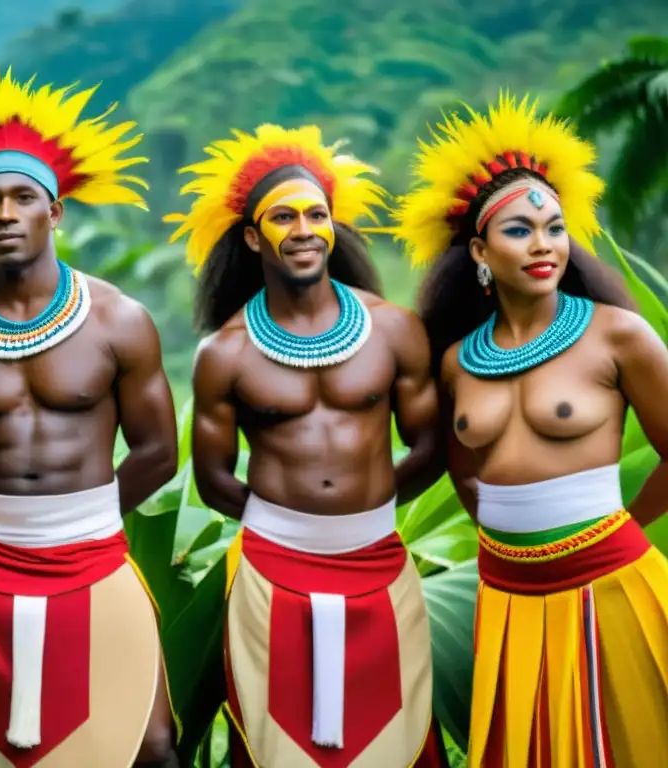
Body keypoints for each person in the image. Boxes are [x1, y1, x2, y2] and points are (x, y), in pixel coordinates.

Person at [0, 68, 180, 768]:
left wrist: (76, 521)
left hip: (94, 552)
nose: (4, 213)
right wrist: (8, 525)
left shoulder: (119, 322)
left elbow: (157, 451)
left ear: (54, 211)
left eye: (23, 197)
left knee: (149, 745)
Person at [393, 94, 668, 766]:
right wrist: (509, 541)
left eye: (553, 226)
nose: (543, 244)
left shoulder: (617, 335)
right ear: (480, 251)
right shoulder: (457, 360)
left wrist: (616, 527)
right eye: (520, 231)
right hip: (508, 593)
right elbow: (465, 471)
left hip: (610, 581)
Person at [168, 123, 448, 767]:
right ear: (251, 236)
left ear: (333, 227)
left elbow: (429, 445)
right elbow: (213, 478)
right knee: (275, 736)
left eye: (316, 215)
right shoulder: (226, 352)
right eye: (283, 217)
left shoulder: (393, 330)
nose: (302, 229)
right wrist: (291, 526)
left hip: (376, 559)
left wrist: (366, 511)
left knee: (396, 733)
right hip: (272, 566)